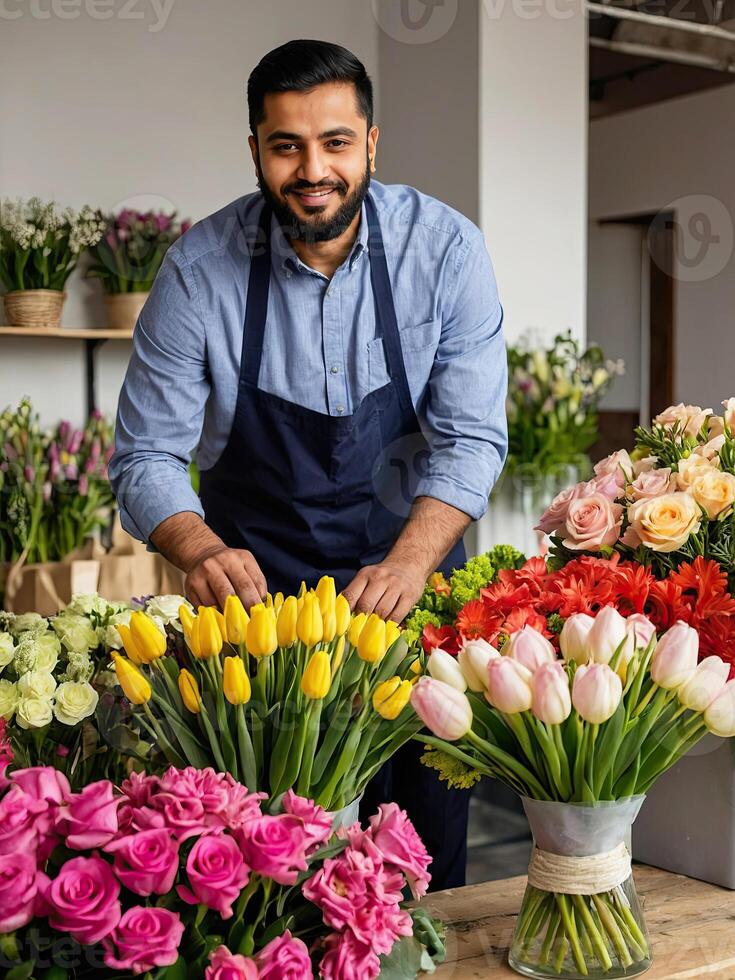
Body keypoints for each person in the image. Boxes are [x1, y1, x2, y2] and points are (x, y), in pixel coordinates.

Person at [110, 39, 507, 888]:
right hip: (262, 606)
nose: (311, 168)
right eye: (286, 145)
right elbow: (145, 454)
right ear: (254, 148)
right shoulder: (199, 271)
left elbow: (470, 437)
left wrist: (407, 562)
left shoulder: (444, 251)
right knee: (268, 865)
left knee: (421, 853)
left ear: (371, 142)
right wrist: (200, 551)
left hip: (410, 582)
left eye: (334, 142)